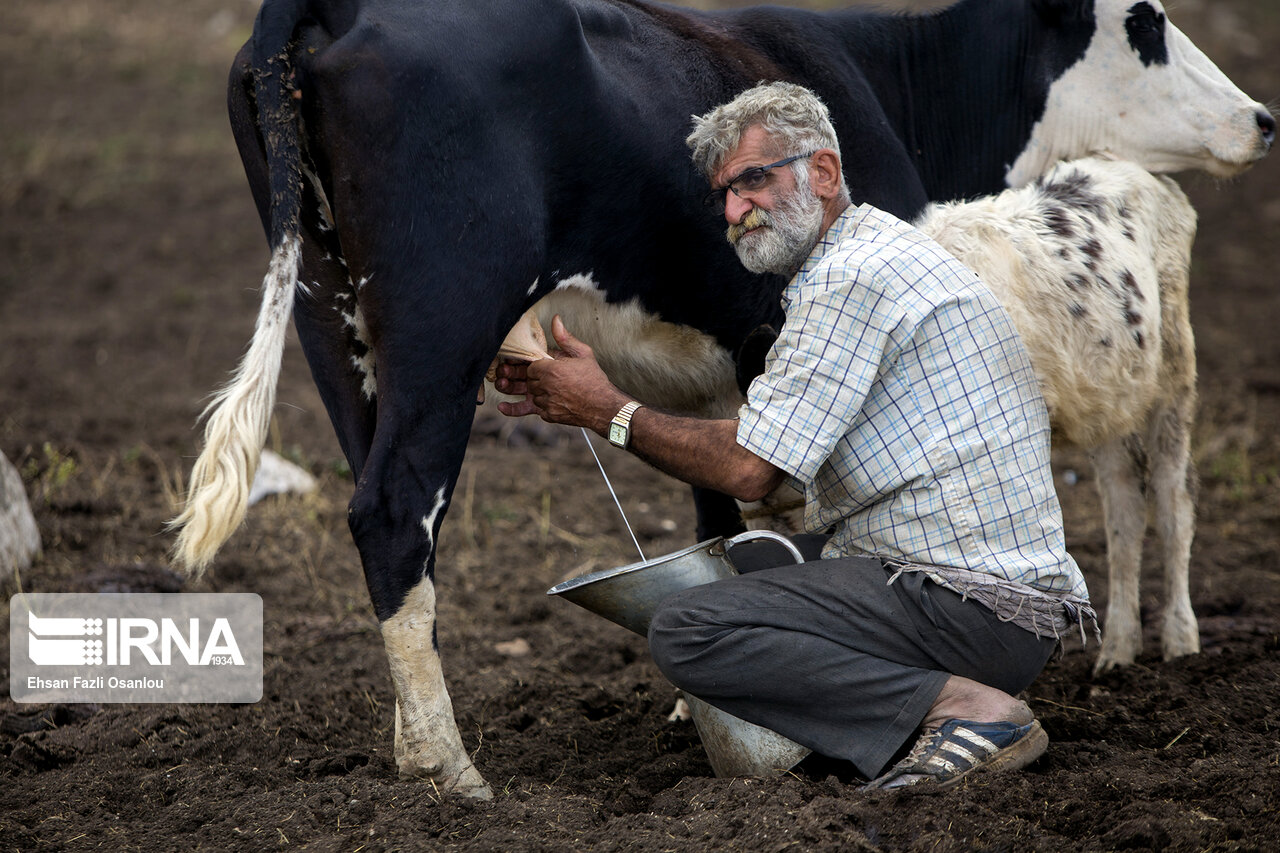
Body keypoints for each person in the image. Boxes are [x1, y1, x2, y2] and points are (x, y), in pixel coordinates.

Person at [495, 82, 1095, 790]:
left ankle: (967, 708)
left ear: (824, 173)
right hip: (988, 592)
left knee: (689, 628)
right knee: (754, 556)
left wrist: (606, 408)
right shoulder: (874, 253)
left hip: (967, 605)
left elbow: (752, 471)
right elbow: (777, 463)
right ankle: (882, 719)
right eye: (724, 192)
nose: (734, 210)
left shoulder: (848, 278)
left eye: (753, 180)